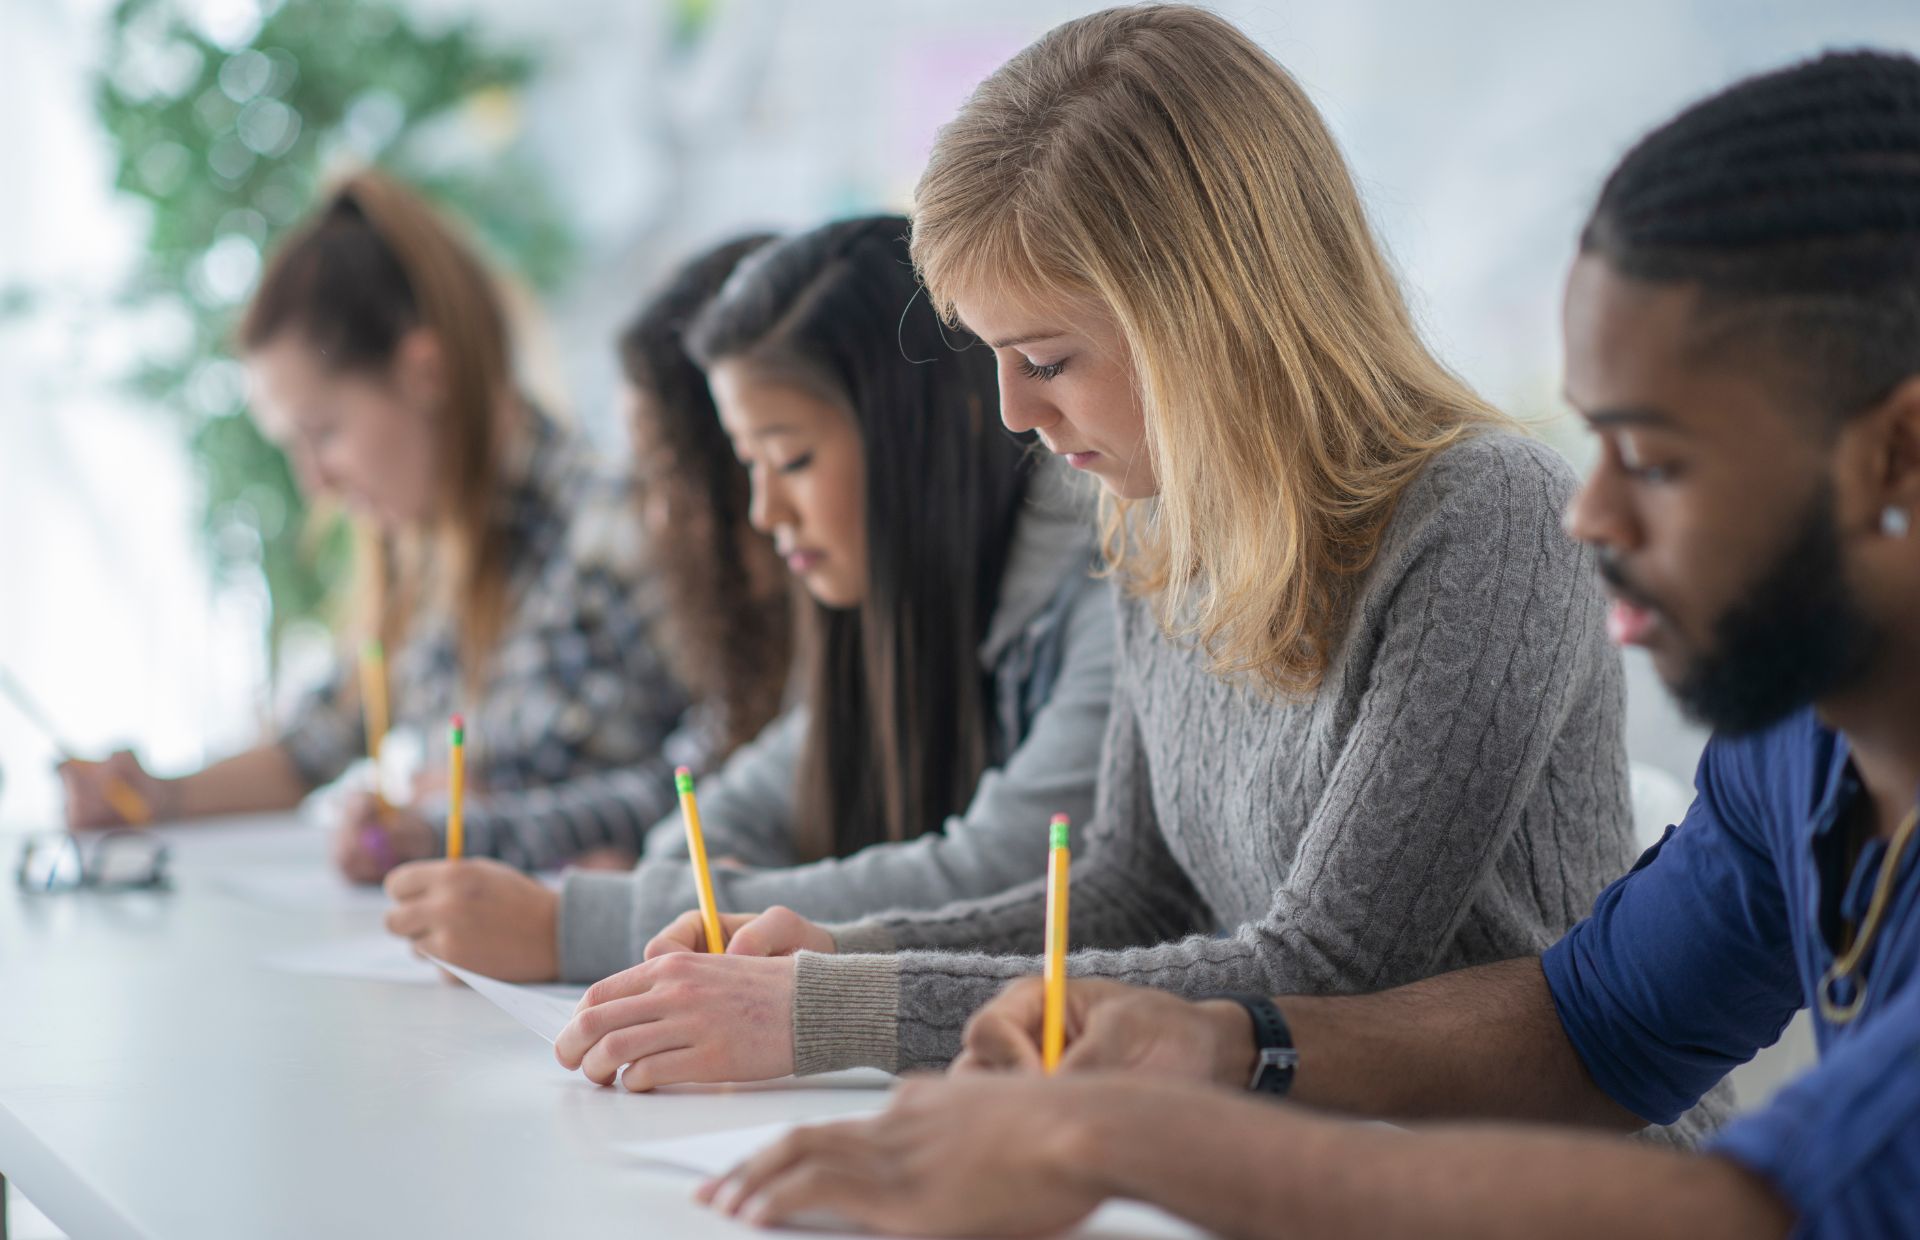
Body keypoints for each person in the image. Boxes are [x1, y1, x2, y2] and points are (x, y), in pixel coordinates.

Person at [700, 46, 1920, 1240]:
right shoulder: (1794, 749)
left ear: (1900, 455)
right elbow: (1596, 1024)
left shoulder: (1484, 515)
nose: (1590, 516)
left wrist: (1105, 1127)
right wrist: (1223, 1041)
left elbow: (1773, 1203)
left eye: (1651, 459)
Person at [551, 4, 1647, 1103]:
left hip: (1525, 1180)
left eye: (1046, 357)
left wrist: (838, 1010)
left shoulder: (1489, 518)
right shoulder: (1155, 518)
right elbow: (1129, 891)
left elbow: (1330, 972)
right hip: (1287, 1156)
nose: (1012, 411)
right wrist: (833, 954)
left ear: (1205, 315)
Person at [380, 216, 1116, 982]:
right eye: (748, 464)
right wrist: (684, 890)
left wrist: (582, 926)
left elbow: (1002, 876)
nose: (764, 512)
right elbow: (729, 811)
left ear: (924, 436)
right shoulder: (867, 612)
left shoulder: (1100, 589)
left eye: (791, 459)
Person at [59, 172, 691, 838]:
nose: (316, 483)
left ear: (425, 372)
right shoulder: (420, 569)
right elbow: (309, 751)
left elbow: (731, 785)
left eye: (323, 432)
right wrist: (156, 797)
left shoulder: (621, 529)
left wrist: (480, 825)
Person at [327, 234, 795, 880]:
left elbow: (692, 798)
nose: (656, 518)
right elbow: (699, 785)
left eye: (324, 432)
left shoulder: (604, 530)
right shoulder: (423, 570)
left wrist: (589, 911)